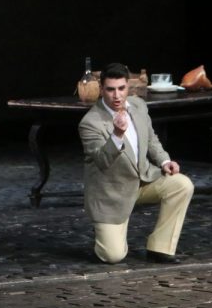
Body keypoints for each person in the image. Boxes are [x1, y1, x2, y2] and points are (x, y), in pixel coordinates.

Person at [78, 62, 194, 264]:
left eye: (121, 88)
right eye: (110, 90)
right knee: (113, 256)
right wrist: (117, 134)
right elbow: (102, 160)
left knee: (182, 185)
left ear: (128, 87)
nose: (117, 95)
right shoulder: (90, 123)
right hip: (112, 194)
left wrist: (164, 161)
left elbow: (151, 139)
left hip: (143, 181)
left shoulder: (138, 105)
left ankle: (160, 247)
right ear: (101, 90)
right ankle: (104, 234)